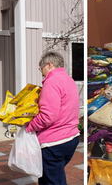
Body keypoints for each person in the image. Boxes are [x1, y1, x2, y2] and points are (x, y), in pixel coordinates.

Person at [25, 51, 80, 185]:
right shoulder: (68, 79)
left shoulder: (51, 82)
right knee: (47, 177)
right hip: (71, 137)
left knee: (54, 180)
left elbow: (47, 117)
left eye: (41, 68)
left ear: (49, 65)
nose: (41, 72)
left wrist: (29, 127)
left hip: (54, 142)